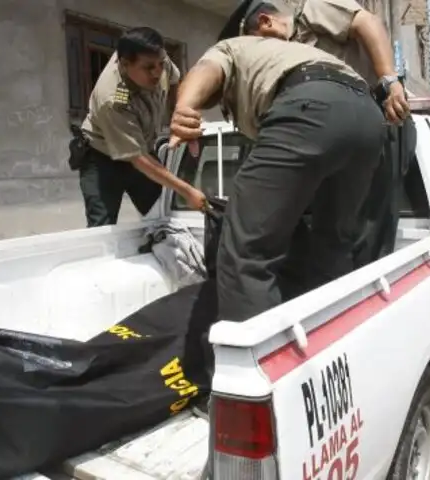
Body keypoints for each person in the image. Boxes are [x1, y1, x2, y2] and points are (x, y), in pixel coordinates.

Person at [169, 35, 386, 324]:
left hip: (310, 104)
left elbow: (205, 70)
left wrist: (184, 107)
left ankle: (256, 358)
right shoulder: (295, 52)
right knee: (333, 242)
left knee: (247, 252)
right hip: (370, 117)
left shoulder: (235, 45)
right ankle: (332, 332)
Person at [75, 26, 207, 227]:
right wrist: (187, 191)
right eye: (149, 68)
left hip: (141, 148)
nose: (157, 72)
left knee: (162, 212)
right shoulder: (113, 99)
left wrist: (179, 115)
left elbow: (174, 81)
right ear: (126, 64)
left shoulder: (157, 60)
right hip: (103, 158)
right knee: (102, 228)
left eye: (160, 64)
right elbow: (138, 159)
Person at [216, 0, 410, 124]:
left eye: (258, 44)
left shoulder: (310, 11)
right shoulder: (285, 61)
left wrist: (389, 80)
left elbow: (367, 23)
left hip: (383, 112)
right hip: (348, 123)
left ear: (266, 22)